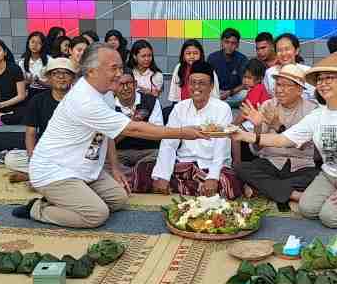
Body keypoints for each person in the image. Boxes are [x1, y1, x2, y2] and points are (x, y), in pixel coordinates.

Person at [12, 43, 207, 228]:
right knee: (96, 214)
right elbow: (134, 129)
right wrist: (183, 132)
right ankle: (37, 209)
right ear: (91, 71)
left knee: (119, 199)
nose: (119, 74)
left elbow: (106, 134)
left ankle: (67, 198)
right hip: (55, 171)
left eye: (121, 68)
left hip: (84, 169)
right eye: (113, 69)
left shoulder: (103, 92)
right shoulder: (84, 100)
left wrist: (115, 168)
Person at [232, 53, 337, 228]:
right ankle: (325, 197)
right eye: (320, 79)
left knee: (330, 218)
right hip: (330, 176)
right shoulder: (318, 114)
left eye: (330, 78)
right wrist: (245, 135)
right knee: (307, 209)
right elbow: (283, 139)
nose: (323, 83)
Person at [142, 60, 239, 198]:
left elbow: (221, 146)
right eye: (193, 82)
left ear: (211, 86)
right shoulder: (179, 108)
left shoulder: (222, 109)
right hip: (184, 165)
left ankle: (187, 187)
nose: (196, 87)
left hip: (212, 165)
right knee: (146, 172)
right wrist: (162, 175)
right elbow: (169, 143)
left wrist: (213, 177)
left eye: (202, 83)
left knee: (226, 183)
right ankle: (188, 187)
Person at [234, 63, 319, 207]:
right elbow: (256, 149)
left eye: (286, 86)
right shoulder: (268, 105)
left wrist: (278, 126)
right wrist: (258, 126)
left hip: (301, 165)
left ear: (299, 90)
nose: (280, 90)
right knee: (240, 168)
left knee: (318, 177)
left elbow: (303, 146)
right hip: (271, 162)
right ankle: (292, 194)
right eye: (278, 85)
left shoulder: (312, 110)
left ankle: (264, 188)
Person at [4, 58, 77, 181]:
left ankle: (38, 177)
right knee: (11, 159)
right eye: (55, 73)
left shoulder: (79, 100)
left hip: (71, 152)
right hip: (46, 152)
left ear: (73, 78)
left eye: (66, 73)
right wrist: (34, 161)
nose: (61, 77)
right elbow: (31, 133)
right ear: (48, 78)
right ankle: (47, 175)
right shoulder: (38, 100)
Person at [113, 68, 164, 184]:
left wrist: (129, 127)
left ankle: (133, 177)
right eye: (121, 84)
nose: (125, 88)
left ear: (135, 84)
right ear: (114, 87)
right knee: (107, 162)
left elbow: (158, 133)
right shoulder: (109, 105)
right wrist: (133, 123)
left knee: (160, 157)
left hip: (148, 152)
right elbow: (111, 140)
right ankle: (138, 176)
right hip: (121, 153)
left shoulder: (150, 101)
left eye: (129, 83)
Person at [231, 59, 270, 165]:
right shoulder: (257, 88)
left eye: (249, 78)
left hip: (259, 124)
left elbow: (245, 112)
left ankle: (237, 162)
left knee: (235, 132)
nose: (245, 81)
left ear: (260, 79)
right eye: (244, 77)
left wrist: (233, 125)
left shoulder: (257, 89)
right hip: (256, 122)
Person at [207, 28, 249, 107]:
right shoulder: (212, 58)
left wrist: (230, 92)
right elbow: (207, 80)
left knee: (245, 94)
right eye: (227, 42)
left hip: (234, 93)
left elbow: (245, 84)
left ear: (237, 45)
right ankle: (223, 104)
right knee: (208, 95)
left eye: (233, 43)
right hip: (217, 92)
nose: (229, 46)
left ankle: (220, 105)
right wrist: (216, 93)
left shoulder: (242, 59)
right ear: (222, 42)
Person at [264, 33, 313, 100]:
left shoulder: (308, 71)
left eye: (287, 49)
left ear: (296, 51)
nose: (284, 53)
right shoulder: (270, 73)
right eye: (279, 50)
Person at [18, 31, 50, 98]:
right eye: (32, 42)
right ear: (28, 43)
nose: (35, 45)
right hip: (30, 92)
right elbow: (20, 84)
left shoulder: (49, 60)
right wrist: (27, 82)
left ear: (43, 45)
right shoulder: (22, 61)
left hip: (46, 92)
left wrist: (39, 81)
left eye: (39, 43)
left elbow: (53, 84)